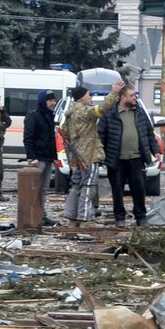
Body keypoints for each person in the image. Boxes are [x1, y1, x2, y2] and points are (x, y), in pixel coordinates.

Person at [98, 83, 160, 226]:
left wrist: (155, 150)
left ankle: (141, 216)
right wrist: (101, 156)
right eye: (132, 95)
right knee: (117, 191)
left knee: (139, 189)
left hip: (136, 159)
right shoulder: (110, 114)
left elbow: (149, 133)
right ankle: (120, 218)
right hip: (116, 159)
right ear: (123, 97)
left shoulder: (139, 112)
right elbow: (101, 135)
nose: (135, 98)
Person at [60, 85, 105, 225]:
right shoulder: (84, 112)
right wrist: (115, 93)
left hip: (76, 157)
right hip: (88, 155)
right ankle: (85, 218)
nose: (91, 97)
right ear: (81, 97)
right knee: (89, 186)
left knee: (76, 186)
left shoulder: (70, 113)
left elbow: (66, 135)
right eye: (89, 94)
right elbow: (102, 109)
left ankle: (72, 218)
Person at [21, 90, 60, 228]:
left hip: (48, 158)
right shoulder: (33, 117)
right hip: (38, 158)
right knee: (34, 188)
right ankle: (32, 214)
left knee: (43, 189)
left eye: (54, 100)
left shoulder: (49, 116)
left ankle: (41, 214)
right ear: (43, 101)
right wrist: (32, 156)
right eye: (50, 100)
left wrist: (54, 157)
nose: (53, 103)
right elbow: (28, 138)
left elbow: (51, 138)